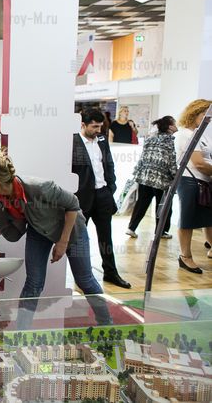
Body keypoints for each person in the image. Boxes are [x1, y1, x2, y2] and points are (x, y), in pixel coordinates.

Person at [0, 156, 112, 328]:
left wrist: (62, 242)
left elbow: (73, 204)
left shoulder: (39, 187)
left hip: (71, 230)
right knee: (33, 283)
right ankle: (22, 330)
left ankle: (106, 324)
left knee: (84, 280)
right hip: (39, 230)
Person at [72, 108, 131, 289]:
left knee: (106, 237)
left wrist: (110, 187)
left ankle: (110, 273)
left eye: (100, 126)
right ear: (83, 125)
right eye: (94, 127)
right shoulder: (72, 142)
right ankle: (82, 276)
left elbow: (109, 164)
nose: (98, 130)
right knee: (79, 239)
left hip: (103, 195)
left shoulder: (103, 141)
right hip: (82, 197)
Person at [174, 99, 212, 273]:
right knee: (187, 219)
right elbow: (199, 163)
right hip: (190, 181)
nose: (208, 119)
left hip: (202, 181)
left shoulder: (199, 134)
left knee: (208, 219)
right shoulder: (185, 134)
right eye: (205, 115)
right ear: (194, 113)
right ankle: (185, 256)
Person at [125, 116, 178, 240]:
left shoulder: (150, 139)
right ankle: (161, 231)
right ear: (170, 127)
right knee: (163, 206)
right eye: (175, 124)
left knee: (141, 203)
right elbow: (171, 161)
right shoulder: (169, 140)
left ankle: (131, 228)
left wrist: (138, 173)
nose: (177, 127)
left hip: (145, 176)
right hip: (161, 179)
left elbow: (143, 157)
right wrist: (175, 176)